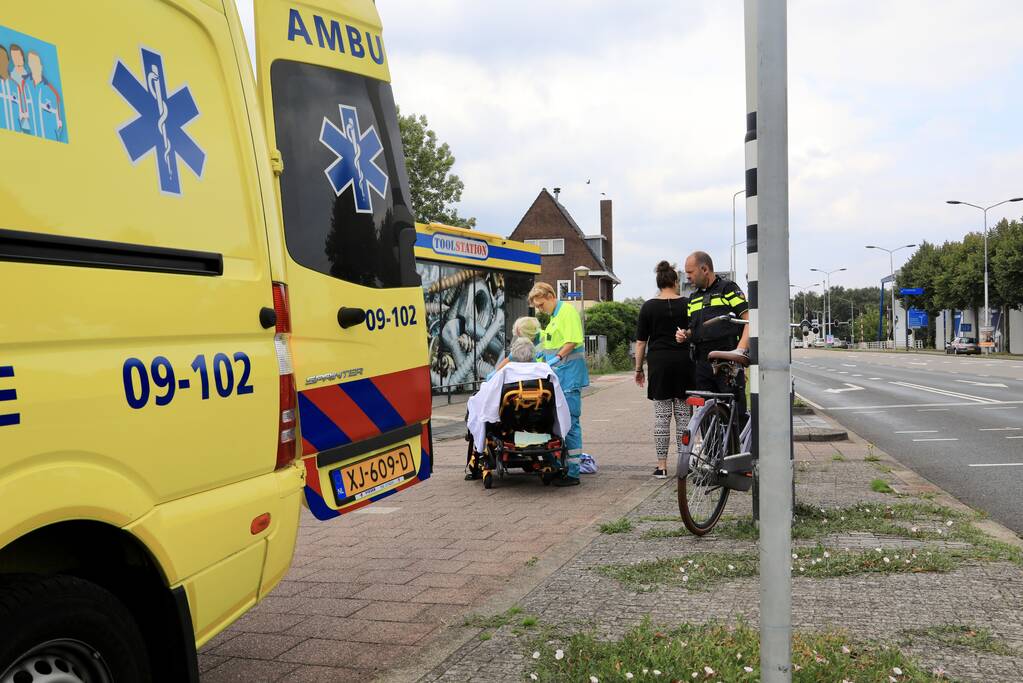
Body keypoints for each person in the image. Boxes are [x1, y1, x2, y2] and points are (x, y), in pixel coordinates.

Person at [634, 261, 694, 478]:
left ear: (658, 282)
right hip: (684, 364)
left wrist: (639, 369)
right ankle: (684, 465)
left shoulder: (648, 307)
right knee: (684, 417)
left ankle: (661, 466)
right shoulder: (688, 304)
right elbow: (695, 331)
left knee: (661, 418)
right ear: (675, 281)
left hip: (659, 365)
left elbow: (641, 342)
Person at [465, 336, 571, 458]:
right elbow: (558, 400)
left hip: (509, 418)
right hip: (538, 418)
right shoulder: (544, 370)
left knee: (475, 403)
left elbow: (488, 396)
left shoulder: (507, 371)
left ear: (513, 354)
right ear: (533, 353)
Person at [675, 251, 750, 419]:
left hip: (726, 364)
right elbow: (694, 330)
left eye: (690, 272)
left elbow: (749, 321)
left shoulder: (728, 289)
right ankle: (711, 446)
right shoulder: (693, 298)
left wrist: (740, 352)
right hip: (701, 364)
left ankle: (735, 444)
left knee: (734, 415)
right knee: (705, 416)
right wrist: (685, 335)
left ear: (704, 269)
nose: (687, 277)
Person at [530, 282, 588, 486]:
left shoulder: (567, 312)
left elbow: (572, 341)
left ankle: (573, 472)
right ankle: (560, 465)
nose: (540, 309)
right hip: (559, 378)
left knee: (570, 423)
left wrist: (556, 359)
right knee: (558, 422)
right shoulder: (556, 317)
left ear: (550, 296)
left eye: (540, 304)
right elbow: (552, 344)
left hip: (569, 378)